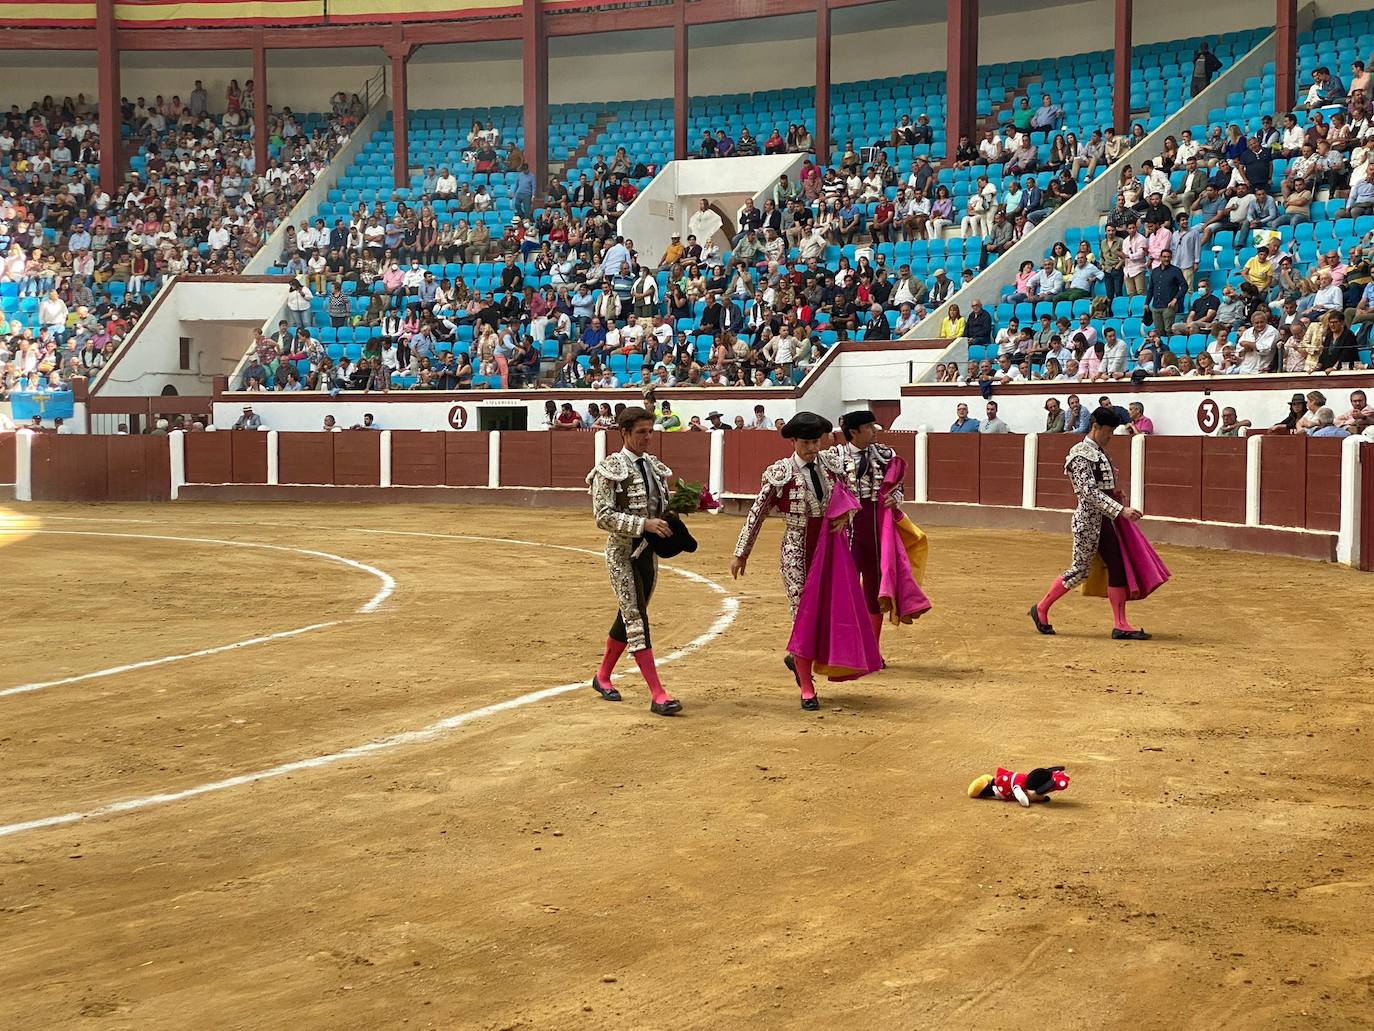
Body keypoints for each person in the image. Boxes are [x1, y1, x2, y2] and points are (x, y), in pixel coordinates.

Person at [732, 412, 848, 711]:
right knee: (803, 615)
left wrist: (848, 514)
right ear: (793, 441)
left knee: (826, 612)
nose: (812, 448)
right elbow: (756, 513)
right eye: (806, 442)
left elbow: (850, 498)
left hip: (829, 549)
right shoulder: (780, 473)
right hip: (796, 548)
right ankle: (807, 688)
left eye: (816, 441)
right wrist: (741, 551)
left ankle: (798, 659)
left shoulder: (832, 467)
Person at [585, 406, 682, 717]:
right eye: (641, 432)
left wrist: (678, 511)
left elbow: (660, 506)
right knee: (636, 618)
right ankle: (658, 693)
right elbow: (602, 516)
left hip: (648, 555)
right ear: (624, 433)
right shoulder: (608, 469)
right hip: (623, 554)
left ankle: (602, 676)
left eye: (650, 432)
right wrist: (643, 525)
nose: (647, 438)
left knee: (628, 616)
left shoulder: (654, 467)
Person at [1030, 408, 1159, 641]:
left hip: (1107, 522)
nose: (1110, 436)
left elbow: (1101, 487)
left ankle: (1121, 624)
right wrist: (1121, 510)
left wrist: (1116, 493)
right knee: (1079, 570)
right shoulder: (1080, 454)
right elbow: (1088, 493)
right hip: (1088, 522)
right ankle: (1041, 608)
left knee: (1118, 567)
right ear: (1096, 427)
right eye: (1108, 431)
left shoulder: (1099, 452)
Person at [824, 411, 907, 656]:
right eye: (870, 427)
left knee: (874, 590)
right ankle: (842, 647)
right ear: (854, 432)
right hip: (845, 529)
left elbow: (898, 485)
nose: (875, 430)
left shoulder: (885, 455)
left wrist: (896, 498)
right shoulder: (833, 457)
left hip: (874, 528)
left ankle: (872, 649)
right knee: (843, 588)